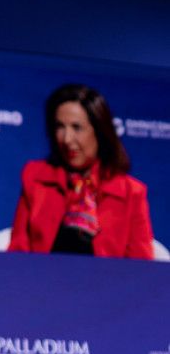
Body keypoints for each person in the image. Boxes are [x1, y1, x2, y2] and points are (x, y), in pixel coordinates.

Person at [8, 84, 153, 258]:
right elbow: (17, 254)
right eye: (59, 127)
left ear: (99, 132)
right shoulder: (35, 178)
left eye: (77, 128)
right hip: (42, 282)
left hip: (108, 284)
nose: (67, 139)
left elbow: (141, 268)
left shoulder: (131, 193)